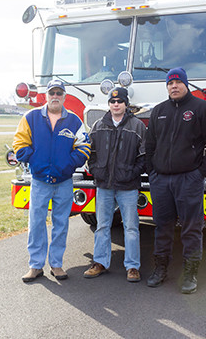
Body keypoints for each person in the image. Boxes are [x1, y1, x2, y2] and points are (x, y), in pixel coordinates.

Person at [145, 67, 206, 294]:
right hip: (161, 181)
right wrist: (152, 173)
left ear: (186, 84)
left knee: (191, 228)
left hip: (189, 180)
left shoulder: (201, 108)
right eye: (170, 83)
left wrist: (200, 173)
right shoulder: (159, 111)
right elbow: (149, 146)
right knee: (162, 227)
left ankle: (190, 273)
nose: (174, 86)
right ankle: (160, 269)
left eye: (178, 82)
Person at [13, 78, 91, 282]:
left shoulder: (74, 120)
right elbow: (20, 143)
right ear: (46, 96)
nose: (55, 97)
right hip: (39, 181)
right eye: (52, 93)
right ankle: (35, 266)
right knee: (37, 223)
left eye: (59, 93)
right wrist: (34, 161)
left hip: (64, 181)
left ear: (64, 96)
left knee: (61, 223)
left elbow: (84, 146)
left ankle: (56, 264)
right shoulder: (30, 117)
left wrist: (69, 164)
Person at [83, 87, 146, 282]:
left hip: (128, 186)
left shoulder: (137, 126)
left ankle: (133, 266)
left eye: (119, 101)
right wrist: (96, 170)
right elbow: (89, 153)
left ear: (126, 104)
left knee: (131, 227)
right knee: (102, 226)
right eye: (112, 101)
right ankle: (100, 262)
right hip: (104, 185)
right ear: (109, 104)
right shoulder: (98, 125)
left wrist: (133, 173)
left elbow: (144, 156)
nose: (116, 104)